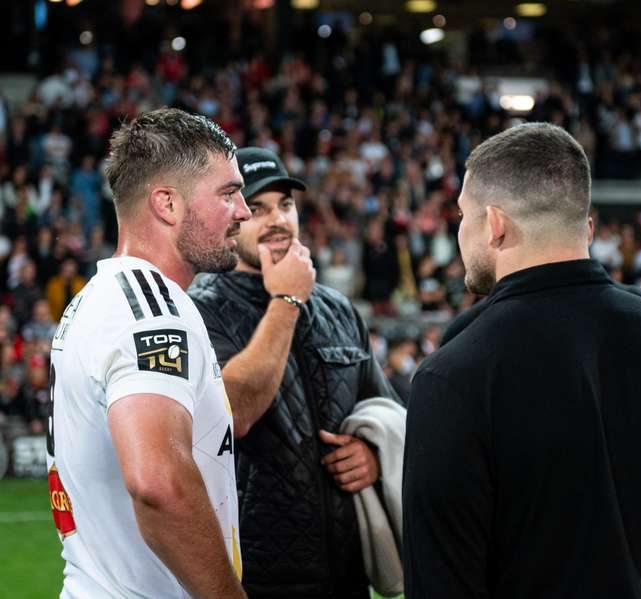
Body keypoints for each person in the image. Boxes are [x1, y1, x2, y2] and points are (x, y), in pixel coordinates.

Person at [402, 122, 641, 599]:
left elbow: (441, 582)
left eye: (463, 215)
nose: (460, 231)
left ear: (494, 223)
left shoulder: (452, 375)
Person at [46, 108, 249, 598]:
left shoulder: (101, 298)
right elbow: (158, 483)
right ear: (167, 204)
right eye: (228, 193)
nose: (244, 210)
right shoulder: (151, 310)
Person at [188, 147, 401, 599]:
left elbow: (386, 411)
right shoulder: (200, 310)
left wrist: (373, 455)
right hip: (254, 582)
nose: (277, 220)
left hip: (347, 576)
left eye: (285, 205)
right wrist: (285, 302)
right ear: (232, 215)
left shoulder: (338, 308)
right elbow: (233, 413)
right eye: (258, 208)